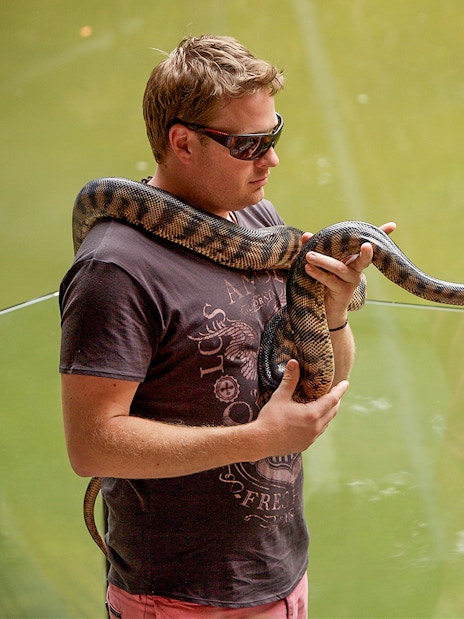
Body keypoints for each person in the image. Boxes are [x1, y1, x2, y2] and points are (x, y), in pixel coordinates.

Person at [60, 35, 395, 618]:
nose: (272, 160)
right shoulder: (115, 269)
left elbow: (320, 380)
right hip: (180, 599)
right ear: (182, 143)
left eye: (274, 135)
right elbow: (91, 445)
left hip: (278, 577)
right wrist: (260, 439)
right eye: (249, 145)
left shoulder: (255, 220)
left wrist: (335, 311)